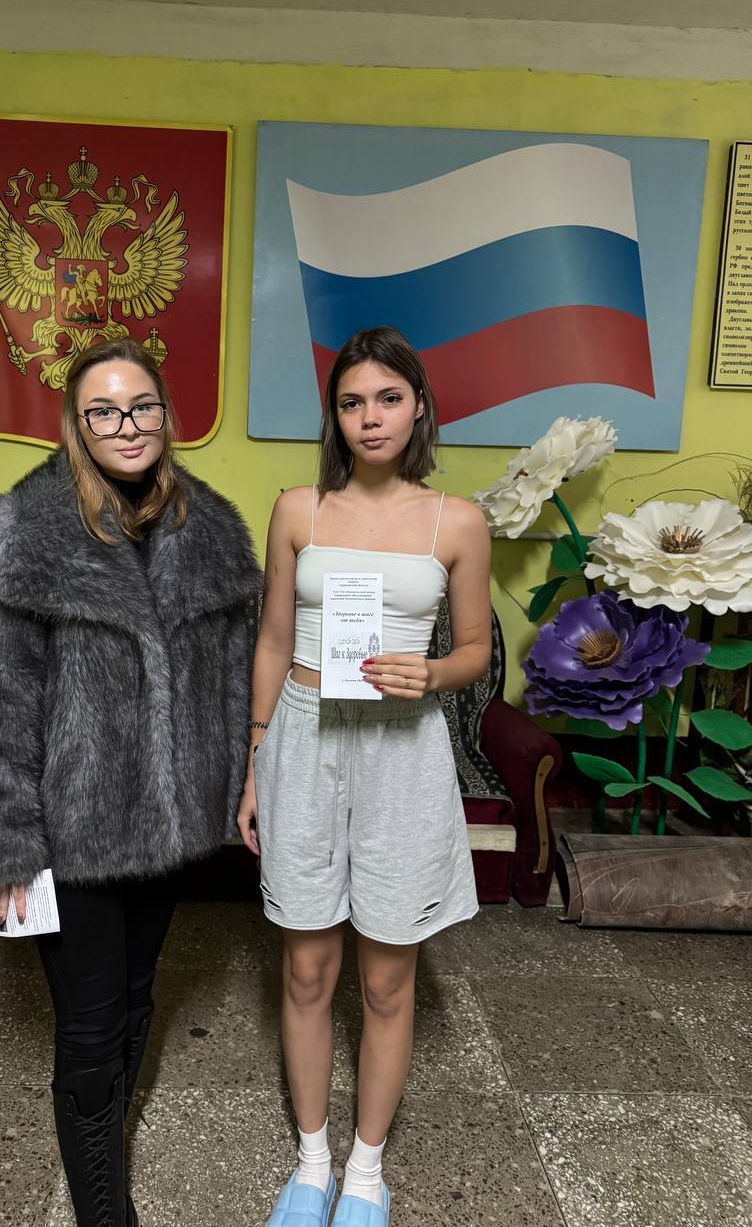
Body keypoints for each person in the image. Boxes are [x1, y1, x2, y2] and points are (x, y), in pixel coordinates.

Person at [0, 337, 262, 1227]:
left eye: (142, 406)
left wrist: (244, 775)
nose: (127, 425)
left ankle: (108, 1151)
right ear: (77, 424)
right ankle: (104, 1215)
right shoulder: (31, 528)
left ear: (166, 414)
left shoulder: (211, 529)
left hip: (168, 825)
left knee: (137, 996)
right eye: (104, 410)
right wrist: (0, 840)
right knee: (88, 1026)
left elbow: (238, 676)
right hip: (66, 829)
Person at [238, 326, 492, 1227]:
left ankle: (365, 1173)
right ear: (335, 416)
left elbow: (473, 649)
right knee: (308, 970)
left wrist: (435, 671)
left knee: (387, 979)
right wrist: (256, 761)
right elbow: (273, 641)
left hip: (402, 748)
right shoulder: (297, 510)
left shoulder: (457, 522)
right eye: (351, 402)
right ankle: (311, 1164)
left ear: (418, 407)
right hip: (304, 736)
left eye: (388, 398)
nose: (370, 417)